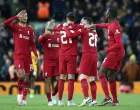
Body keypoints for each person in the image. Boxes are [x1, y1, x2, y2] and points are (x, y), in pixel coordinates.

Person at [88, 8, 125, 106]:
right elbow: (105, 25)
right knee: (111, 76)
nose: (105, 13)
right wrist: (95, 25)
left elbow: (119, 44)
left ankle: (108, 98)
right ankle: (115, 101)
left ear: (110, 15)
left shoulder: (115, 26)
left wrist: (106, 51)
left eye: (107, 12)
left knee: (101, 73)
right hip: (118, 53)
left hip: (115, 53)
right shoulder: (111, 24)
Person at [4, 10, 38, 106]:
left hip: (28, 57)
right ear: (20, 17)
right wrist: (15, 16)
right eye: (24, 15)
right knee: (22, 75)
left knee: (27, 78)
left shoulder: (29, 29)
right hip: (18, 56)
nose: (25, 17)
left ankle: (24, 99)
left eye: (26, 15)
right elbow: (6, 23)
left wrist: (35, 55)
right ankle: (19, 95)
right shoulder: (15, 27)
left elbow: (32, 44)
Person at [63, 17, 98, 106]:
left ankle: (86, 98)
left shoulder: (84, 30)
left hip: (87, 55)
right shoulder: (94, 32)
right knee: (91, 78)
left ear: (85, 24)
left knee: (82, 77)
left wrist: (66, 27)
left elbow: (70, 35)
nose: (80, 24)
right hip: (94, 55)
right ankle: (94, 100)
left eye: (82, 22)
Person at [53, 12, 81, 106]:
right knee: (71, 78)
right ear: (74, 19)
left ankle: (60, 101)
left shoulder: (60, 26)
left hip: (62, 55)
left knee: (62, 78)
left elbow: (51, 28)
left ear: (66, 19)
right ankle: (69, 101)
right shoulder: (77, 27)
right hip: (71, 55)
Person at [38, 20, 60, 106]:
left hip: (58, 61)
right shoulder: (44, 35)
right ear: (46, 27)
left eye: (52, 24)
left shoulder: (58, 34)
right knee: (47, 80)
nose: (51, 26)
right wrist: (46, 33)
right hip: (48, 61)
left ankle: (53, 94)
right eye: (49, 25)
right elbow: (39, 41)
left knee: (60, 80)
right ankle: (49, 100)